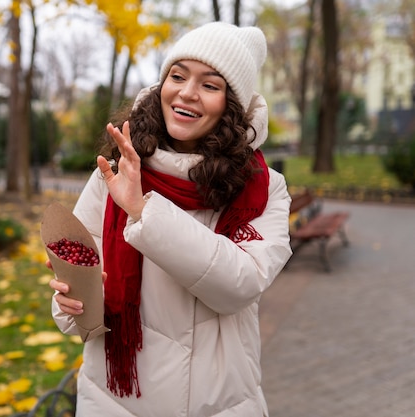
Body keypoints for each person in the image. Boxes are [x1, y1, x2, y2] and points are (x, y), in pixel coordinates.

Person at [48, 21, 292, 417]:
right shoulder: (115, 169)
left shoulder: (263, 187)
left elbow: (240, 284)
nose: (187, 93)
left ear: (231, 106)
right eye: (177, 76)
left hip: (216, 403)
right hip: (112, 397)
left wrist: (144, 210)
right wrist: (71, 299)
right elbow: (87, 293)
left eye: (210, 85)